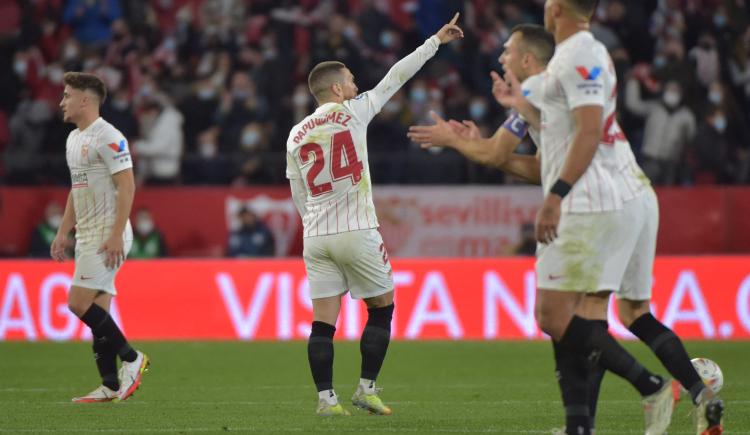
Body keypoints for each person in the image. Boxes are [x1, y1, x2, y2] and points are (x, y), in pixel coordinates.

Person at [411, 10, 723, 434]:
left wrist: (460, 144)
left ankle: (643, 391)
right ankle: (689, 395)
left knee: (564, 315)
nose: (501, 55)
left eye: (508, 51)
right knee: (622, 313)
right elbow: (536, 160)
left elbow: (501, 155)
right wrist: (482, 140)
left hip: (591, 200)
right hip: (633, 193)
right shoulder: (551, 88)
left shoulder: (549, 82)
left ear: (527, 60)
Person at [285, 13, 463, 417]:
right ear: (335, 88)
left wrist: (312, 223)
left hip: (315, 235)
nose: (355, 84)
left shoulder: (295, 133)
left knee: (323, 321)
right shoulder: (355, 111)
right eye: (349, 79)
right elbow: (397, 76)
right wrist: (434, 41)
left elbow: (298, 189)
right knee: (382, 308)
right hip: (357, 228)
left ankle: (325, 401)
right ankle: (365, 389)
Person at [53, 72, 149, 403]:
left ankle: (134, 359)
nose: (62, 102)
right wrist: (63, 230)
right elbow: (76, 189)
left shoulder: (109, 136)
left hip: (108, 233)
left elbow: (127, 185)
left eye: (66, 95)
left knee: (77, 302)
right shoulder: (73, 139)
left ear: (85, 99)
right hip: (88, 233)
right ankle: (109, 384)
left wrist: (115, 235)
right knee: (98, 311)